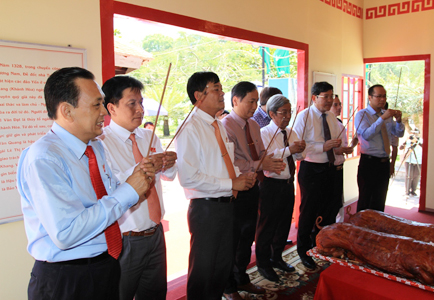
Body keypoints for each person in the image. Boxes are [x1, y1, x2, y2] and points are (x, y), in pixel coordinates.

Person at [17, 67, 154, 300]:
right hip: (67, 277)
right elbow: (66, 232)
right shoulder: (45, 157)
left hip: (105, 264)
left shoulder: (95, 147)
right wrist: (128, 191)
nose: (104, 112)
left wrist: (135, 189)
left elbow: (108, 198)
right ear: (67, 111)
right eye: (96, 104)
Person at [176, 71, 256, 299]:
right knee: (204, 270)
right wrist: (231, 182)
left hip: (227, 204)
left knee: (221, 267)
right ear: (198, 96)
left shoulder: (218, 125)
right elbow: (189, 177)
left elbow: (224, 162)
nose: (222, 94)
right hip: (206, 208)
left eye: (221, 89)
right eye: (216, 89)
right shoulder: (190, 128)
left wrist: (241, 176)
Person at [101, 76, 178, 300]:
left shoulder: (149, 136)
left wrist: (169, 162)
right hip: (126, 239)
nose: (140, 110)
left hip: (155, 232)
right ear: (111, 108)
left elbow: (170, 176)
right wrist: (141, 168)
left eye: (141, 103)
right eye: (132, 103)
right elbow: (110, 187)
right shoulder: (102, 143)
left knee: (155, 294)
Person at [222, 82, 284, 299]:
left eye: (257, 101)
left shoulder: (254, 126)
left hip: (253, 188)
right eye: (251, 101)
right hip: (234, 191)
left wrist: (270, 161)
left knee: (248, 237)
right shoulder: (225, 126)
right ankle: (228, 286)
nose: (255, 105)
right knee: (232, 240)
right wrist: (260, 164)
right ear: (235, 100)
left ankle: (242, 278)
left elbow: (259, 154)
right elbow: (233, 162)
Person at [293, 82, 351, 270]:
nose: (329, 100)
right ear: (314, 98)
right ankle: (304, 250)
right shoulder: (305, 116)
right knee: (309, 210)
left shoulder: (332, 117)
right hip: (311, 168)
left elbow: (334, 143)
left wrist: (338, 146)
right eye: (324, 96)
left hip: (330, 168)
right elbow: (298, 146)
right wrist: (322, 146)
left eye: (331, 96)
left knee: (329, 209)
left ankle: (324, 244)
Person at [256, 94, 305, 282]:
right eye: (283, 113)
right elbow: (268, 158)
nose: (287, 116)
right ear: (271, 114)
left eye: (290, 112)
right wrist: (289, 150)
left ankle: (277, 257)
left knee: (283, 224)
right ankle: (263, 263)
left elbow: (300, 156)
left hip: (287, 184)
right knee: (267, 226)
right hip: (270, 185)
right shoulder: (264, 133)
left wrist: (299, 149)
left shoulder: (291, 132)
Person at [354, 84, 404, 212]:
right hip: (369, 162)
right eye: (379, 96)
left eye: (384, 96)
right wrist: (382, 118)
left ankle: (376, 230)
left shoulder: (386, 115)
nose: (382, 99)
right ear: (370, 97)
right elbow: (366, 135)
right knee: (366, 200)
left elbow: (399, 134)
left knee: (379, 201)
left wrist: (398, 121)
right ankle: (362, 231)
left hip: (384, 163)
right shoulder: (362, 115)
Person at [328, 94, 352, 223]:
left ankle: (339, 226)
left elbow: (344, 146)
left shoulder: (340, 124)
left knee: (339, 201)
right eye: (335, 105)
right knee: (329, 203)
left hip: (339, 167)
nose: (339, 107)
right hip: (329, 168)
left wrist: (346, 149)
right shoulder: (325, 124)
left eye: (340, 104)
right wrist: (337, 150)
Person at [401, 128, 422, 196]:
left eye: (415, 133)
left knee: (416, 176)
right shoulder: (408, 139)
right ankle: (407, 190)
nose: (414, 134)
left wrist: (417, 142)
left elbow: (424, 146)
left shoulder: (421, 140)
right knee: (408, 175)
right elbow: (401, 147)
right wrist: (406, 141)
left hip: (418, 160)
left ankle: (413, 190)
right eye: (413, 133)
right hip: (409, 159)